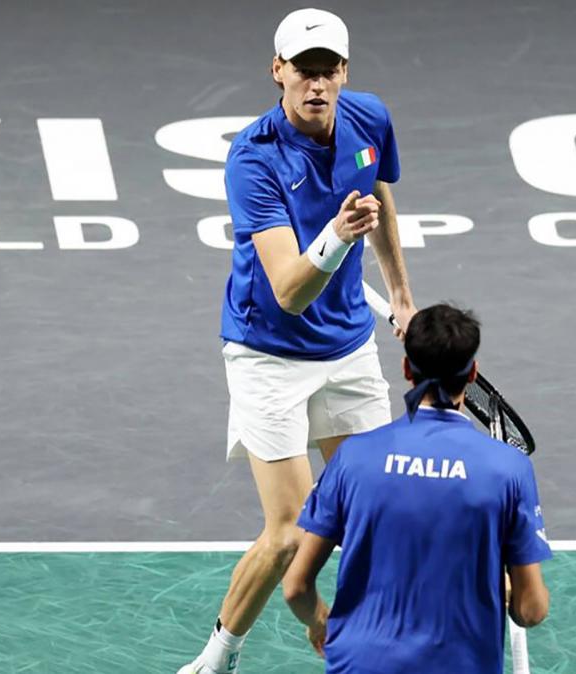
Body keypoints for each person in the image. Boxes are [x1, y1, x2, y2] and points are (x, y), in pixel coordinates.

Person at [179, 7, 416, 674]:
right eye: (303, 70)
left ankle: (367, 643)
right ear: (277, 71)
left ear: (344, 71)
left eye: (328, 70)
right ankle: (218, 656)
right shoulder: (253, 158)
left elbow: (378, 196)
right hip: (268, 353)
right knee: (288, 533)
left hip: (348, 347)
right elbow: (289, 291)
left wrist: (400, 294)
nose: (317, 84)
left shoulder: (369, 118)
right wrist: (337, 235)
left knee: (374, 515)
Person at [283, 304, 552, 674]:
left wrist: (319, 621)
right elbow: (531, 610)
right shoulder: (508, 469)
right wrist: (507, 590)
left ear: (407, 370)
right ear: (472, 374)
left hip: (360, 664)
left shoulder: (353, 457)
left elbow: (296, 587)